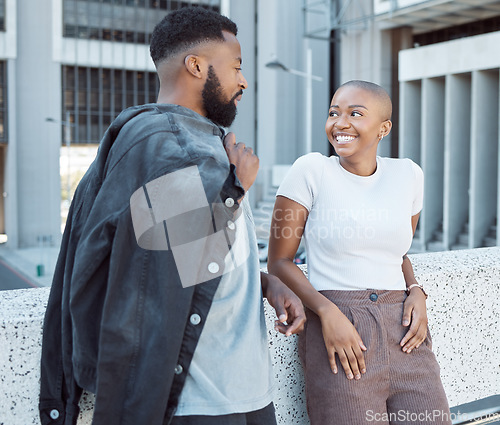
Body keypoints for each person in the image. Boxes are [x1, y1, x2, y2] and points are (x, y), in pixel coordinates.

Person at [39, 7, 305, 425]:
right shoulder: (171, 149)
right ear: (196, 65)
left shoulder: (196, 144)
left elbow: (189, 256)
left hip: (241, 389)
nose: (244, 81)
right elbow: (154, 276)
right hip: (200, 403)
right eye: (236, 66)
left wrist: (266, 283)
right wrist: (235, 192)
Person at [267, 80, 452, 425]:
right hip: (340, 333)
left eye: (355, 113)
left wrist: (416, 291)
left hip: (405, 330)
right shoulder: (310, 171)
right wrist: (327, 312)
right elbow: (278, 262)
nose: (340, 123)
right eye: (334, 112)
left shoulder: (409, 175)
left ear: (384, 128)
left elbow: (397, 253)